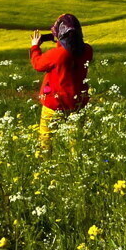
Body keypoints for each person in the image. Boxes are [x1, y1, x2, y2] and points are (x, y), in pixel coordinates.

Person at [30, 13, 93, 154]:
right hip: (78, 103)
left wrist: (35, 47)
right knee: (75, 140)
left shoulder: (57, 54)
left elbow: (38, 64)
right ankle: (77, 165)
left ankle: (44, 163)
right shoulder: (87, 50)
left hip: (55, 104)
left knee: (46, 138)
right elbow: (73, 50)